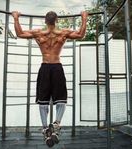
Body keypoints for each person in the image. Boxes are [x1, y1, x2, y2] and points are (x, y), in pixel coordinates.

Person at [12, 10, 88, 139]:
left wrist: (15, 18)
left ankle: (45, 127)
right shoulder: (63, 33)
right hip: (57, 67)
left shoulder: (38, 33)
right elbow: (81, 34)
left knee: (43, 100)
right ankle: (57, 123)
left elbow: (19, 33)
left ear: (45, 21)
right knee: (61, 99)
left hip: (45, 67)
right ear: (57, 20)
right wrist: (84, 18)